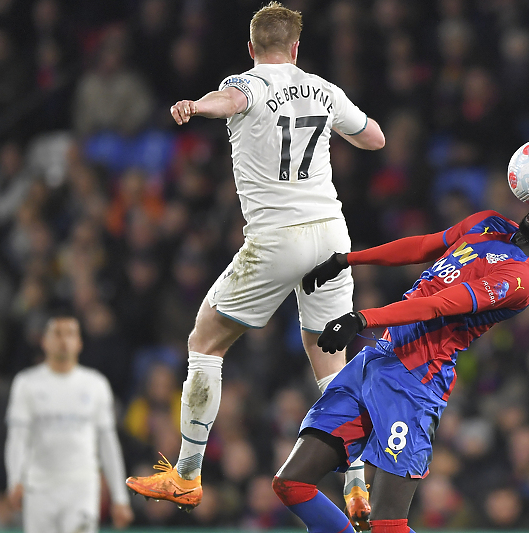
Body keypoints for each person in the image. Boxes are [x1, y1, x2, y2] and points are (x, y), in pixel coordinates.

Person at [125, 2, 385, 528]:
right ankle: (357, 480)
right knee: (331, 364)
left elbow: (232, 99)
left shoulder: (248, 84)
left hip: (277, 238)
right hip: (332, 235)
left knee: (204, 342)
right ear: (295, 48)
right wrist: (346, 132)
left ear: (250, 49)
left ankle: (188, 473)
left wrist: (197, 106)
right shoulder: (324, 89)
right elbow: (375, 137)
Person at [271, 191, 529, 533]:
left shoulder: (523, 279)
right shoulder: (489, 222)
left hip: (416, 380)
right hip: (379, 358)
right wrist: (347, 259)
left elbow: (440, 304)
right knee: (291, 483)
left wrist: (363, 319)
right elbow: (424, 246)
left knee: (386, 525)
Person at [5, 315, 133, 533]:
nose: (63, 340)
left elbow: (108, 444)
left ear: (80, 343)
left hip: (81, 487)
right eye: (57, 333)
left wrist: (120, 498)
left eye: (70, 334)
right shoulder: (26, 384)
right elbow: (17, 439)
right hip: (39, 488)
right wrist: (14, 480)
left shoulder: (95, 385)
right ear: (44, 342)